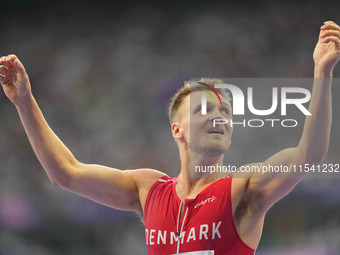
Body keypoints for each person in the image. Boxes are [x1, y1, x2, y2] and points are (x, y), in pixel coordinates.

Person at [0, 20, 339, 255]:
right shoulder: (148, 190)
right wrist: (25, 103)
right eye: (205, 109)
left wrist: (322, 73)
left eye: (226, 112)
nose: (219, 116)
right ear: (178, 129)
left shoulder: (243, 188)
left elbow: (308, 155)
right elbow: (66, 173)